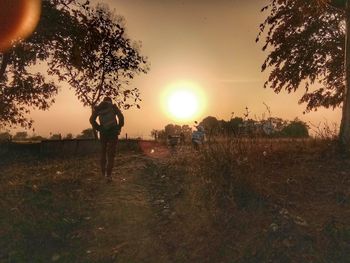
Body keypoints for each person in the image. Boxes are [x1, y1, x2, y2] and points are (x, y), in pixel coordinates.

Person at [90, 97, 124, 181]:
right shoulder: (113, 107)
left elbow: (91, 120)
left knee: (103, 152)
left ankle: (103, 174)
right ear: (110, 101)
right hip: (113, 133)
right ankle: (109, 175)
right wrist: (118, 127)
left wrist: (99, 128)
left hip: (103, 133)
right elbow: (121, 117)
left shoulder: (98, 108)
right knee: (111, 154)